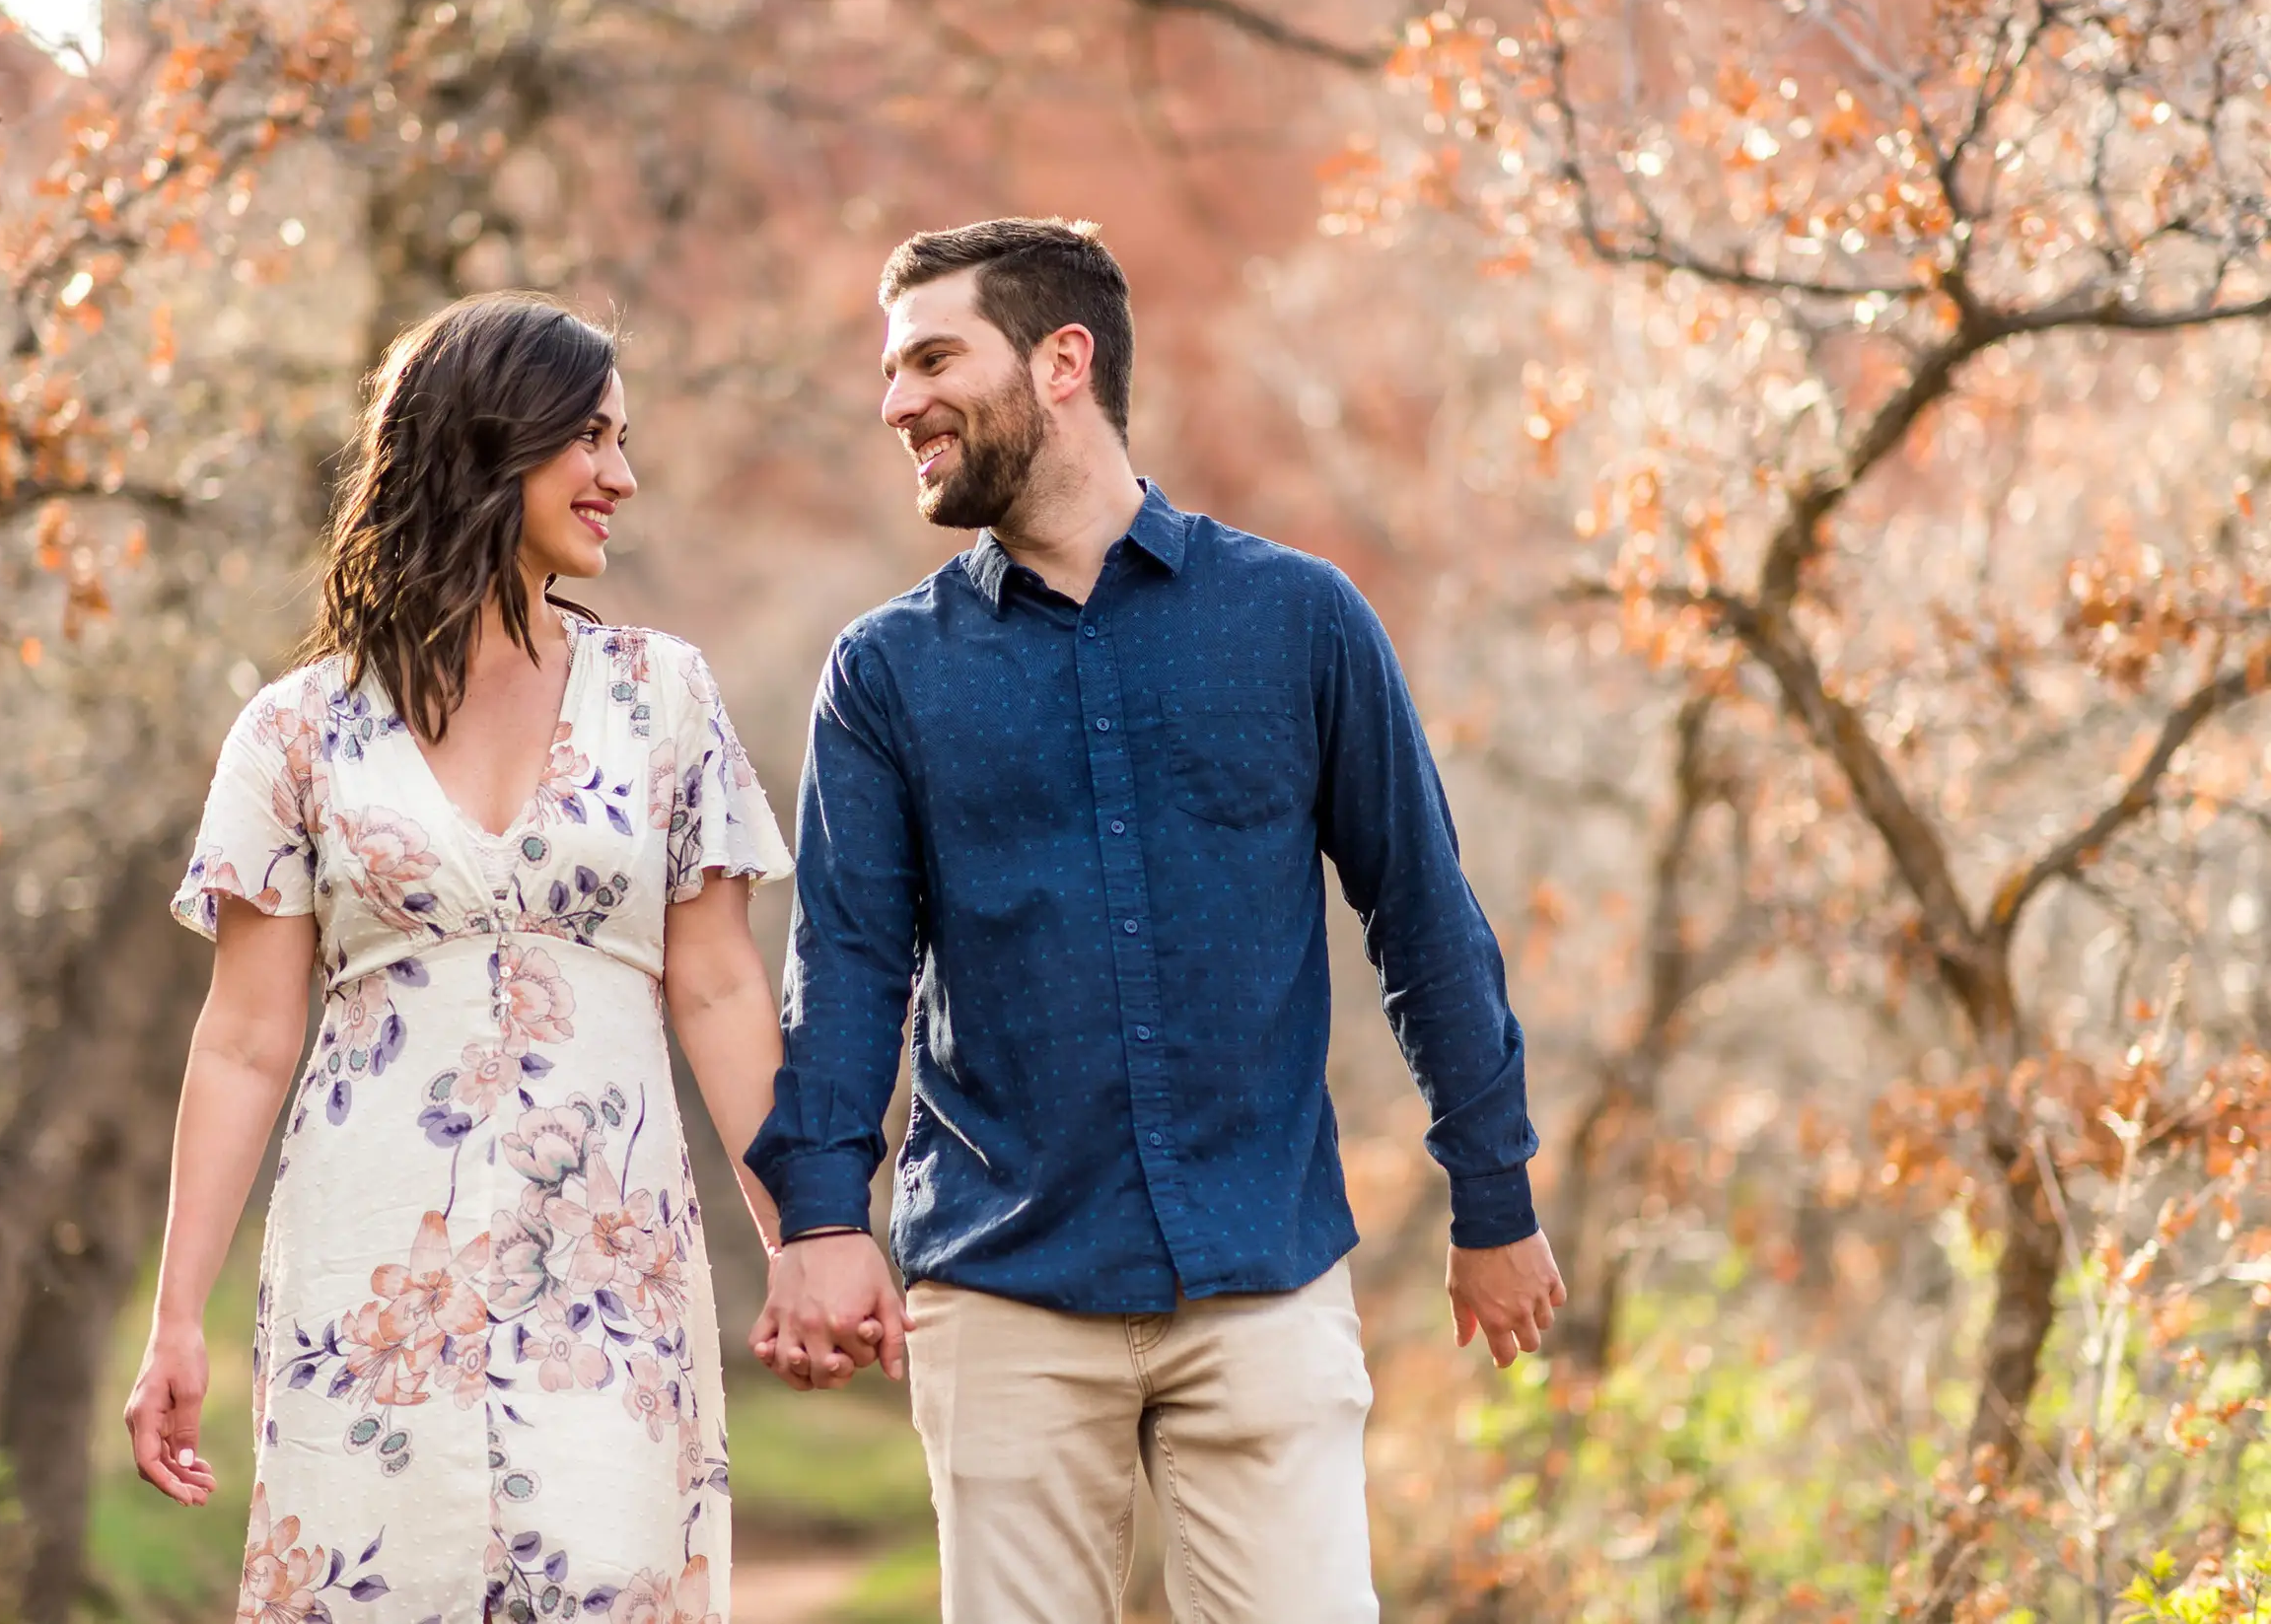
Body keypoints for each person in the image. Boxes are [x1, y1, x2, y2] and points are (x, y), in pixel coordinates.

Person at [745, 218, 1565, 1622]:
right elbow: (848, 969)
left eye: (934, 359)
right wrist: (821, 1216)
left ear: (1065, 361)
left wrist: (1492, 1192)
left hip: (1262, 1271)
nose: (897, 404)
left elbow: (1423, 918)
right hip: (1004, 1291)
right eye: (890, 371)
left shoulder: (1300, 621)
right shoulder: (885, 675)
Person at [123, 292, 792, 1624]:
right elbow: (247, 1038)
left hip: (608, 1274)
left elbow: (718, 987)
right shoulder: (296, 733)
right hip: (372, 1268)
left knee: (612, 1582)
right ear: (496, 443)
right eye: (593, 440)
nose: (624, 477)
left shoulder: (666, 698)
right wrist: (175, 1315)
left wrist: (800, 1243)